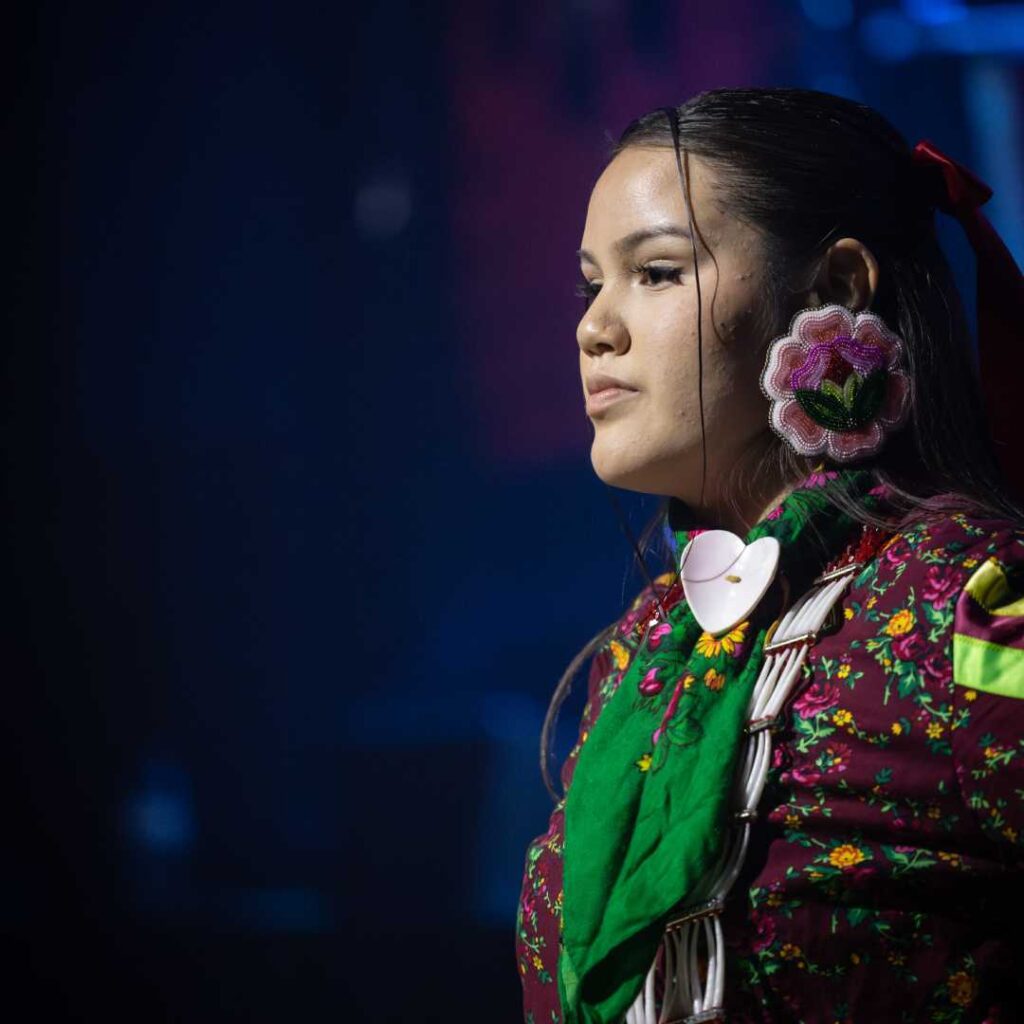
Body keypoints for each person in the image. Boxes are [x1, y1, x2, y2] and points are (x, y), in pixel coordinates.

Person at [515, 87, 1024, 1024]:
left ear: (833, 288)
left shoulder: (974, 599)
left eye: (659, 272)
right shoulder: (647, 652)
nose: (595, 327)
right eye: (593, 284)